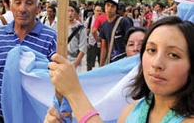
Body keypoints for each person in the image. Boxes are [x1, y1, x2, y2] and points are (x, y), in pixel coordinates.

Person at [44, 16, 194, 123]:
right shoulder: (131, 111)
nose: (157, 63)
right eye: (151, 50)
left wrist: (74, 93)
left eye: (173, 55)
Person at [99, 0, 131, 65]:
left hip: (125, 60)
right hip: (112, 62)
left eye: (112, 6)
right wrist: (101, 66)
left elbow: (131, 41)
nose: (109, 8)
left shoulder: (123, 22)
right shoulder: (103, 25)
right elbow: (104, 47)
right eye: (108, 5)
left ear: (116, 9)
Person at [68, 1, 87, 72]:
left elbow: (83, 49)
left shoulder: (80, 28)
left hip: (75, 62)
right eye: (68, 11)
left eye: (72, 11)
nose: (70, 13)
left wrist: (75, 65)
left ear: (75, 13)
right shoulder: (61, 26)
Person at [85, 4, 103, 71]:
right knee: (89, 64)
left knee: (102, 63)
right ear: (94, 11)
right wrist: (86, 42)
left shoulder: (104, 20)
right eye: (97, 11)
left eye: (100, 11)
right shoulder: (89, 20)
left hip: (101, 44)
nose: (99, 12)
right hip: (91, 44)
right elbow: (84, 32)